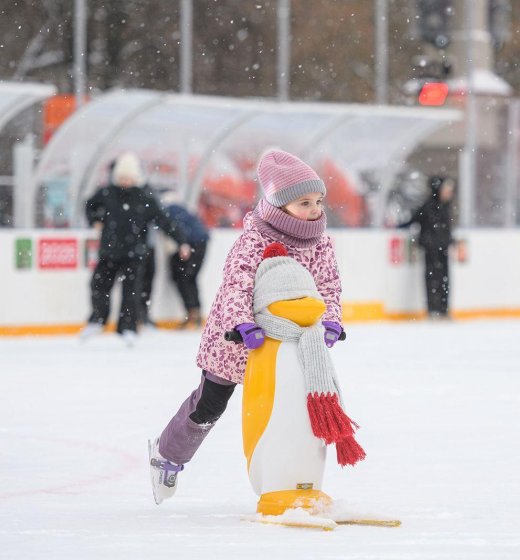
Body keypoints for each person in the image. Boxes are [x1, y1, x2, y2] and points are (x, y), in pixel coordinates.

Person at [148, 149, 344, 504]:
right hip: (237, 341)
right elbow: (236, 285)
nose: (315, 210)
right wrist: (242, 323)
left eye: (318, 201)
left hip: (290, 342)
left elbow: (328, 285)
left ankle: (289, 477)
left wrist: (331, 319)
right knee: (209, 406)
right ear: (279, 204)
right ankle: (167, 455)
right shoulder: (255, 240)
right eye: (304, 203)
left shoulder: (321, 243)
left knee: (292, 406)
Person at [81, 153, 191, 346]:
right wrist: (95, 219)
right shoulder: (107, 193)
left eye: (129, 178)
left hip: (135, 253)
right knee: (98, 285)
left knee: (131, 291)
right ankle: (98, 319)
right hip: (109, 251)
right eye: (122, 178)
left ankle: (128, 327)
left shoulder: (144, 197)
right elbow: (89, 206)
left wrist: (181, 241)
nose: (125, 182)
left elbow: (164, 221)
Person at [398, 175, 456, 319]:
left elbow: (446, 229)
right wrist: (396, 227)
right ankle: (433, 309)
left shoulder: (445, 207)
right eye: (446, 189)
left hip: (442, 249)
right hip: (431, 249)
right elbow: (413, 220)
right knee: (432, 279)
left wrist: (450, 241)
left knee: (443, 279)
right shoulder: (428, 206)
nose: (449, 193)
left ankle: (443, 309)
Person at [158, 189, 210, 329]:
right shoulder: (182, 209)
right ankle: (195, 314)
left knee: (184, 278)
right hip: (200, 244)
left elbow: (176, 229)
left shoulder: (169, 210)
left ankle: (192, 314)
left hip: (190, 245)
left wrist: (182, 245)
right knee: (190, 278)